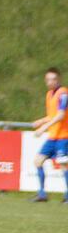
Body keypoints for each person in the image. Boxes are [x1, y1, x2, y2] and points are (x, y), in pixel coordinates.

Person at [31, 67, 68, 203]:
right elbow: (52, 116)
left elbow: (61, 115)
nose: (50, 82)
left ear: (58, 79)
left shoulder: (63, 93)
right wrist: (41, 121)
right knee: (38, 161)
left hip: (63, 137)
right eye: (47, 79)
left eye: (53, 79)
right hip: (52, 137)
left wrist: (43, 128)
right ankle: (42, 194)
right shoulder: (49, 94)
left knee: (64, 165)